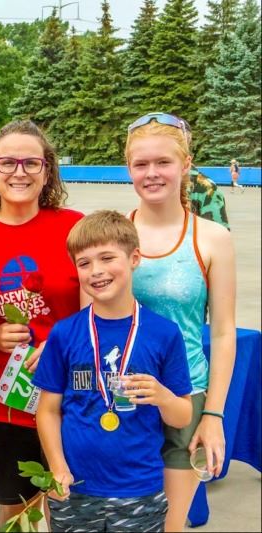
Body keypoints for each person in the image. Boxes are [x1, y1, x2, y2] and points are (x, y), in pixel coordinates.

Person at [34, 210, 192, 532]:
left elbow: (183, 416)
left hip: (139, 491)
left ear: (134, 258)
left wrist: (163, 397)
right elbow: (48, 412)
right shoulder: (64, 334)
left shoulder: (164, 334)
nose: (96, 271)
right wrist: (57, 466)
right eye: (84, 263)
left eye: (107, 258)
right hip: (75, 488)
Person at [0, 120, 84, 528]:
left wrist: (64, 342)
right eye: (8, 162)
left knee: (69, 506)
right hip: (5, 404)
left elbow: (107, 302)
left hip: (72, 397)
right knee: (19, 511)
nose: (19, 172)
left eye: (31, 163)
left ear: (47, 170)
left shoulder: (74, 227)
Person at [125, 112, 236, 532]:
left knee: (168, 525)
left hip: (186, 397)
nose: (152, 174)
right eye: (141, 164)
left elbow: (224, 333)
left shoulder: (212, 239)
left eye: (163, 162)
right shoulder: (113, 234)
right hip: (121, 396)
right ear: (128, 168)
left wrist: (214, 416)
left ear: (186, 164)